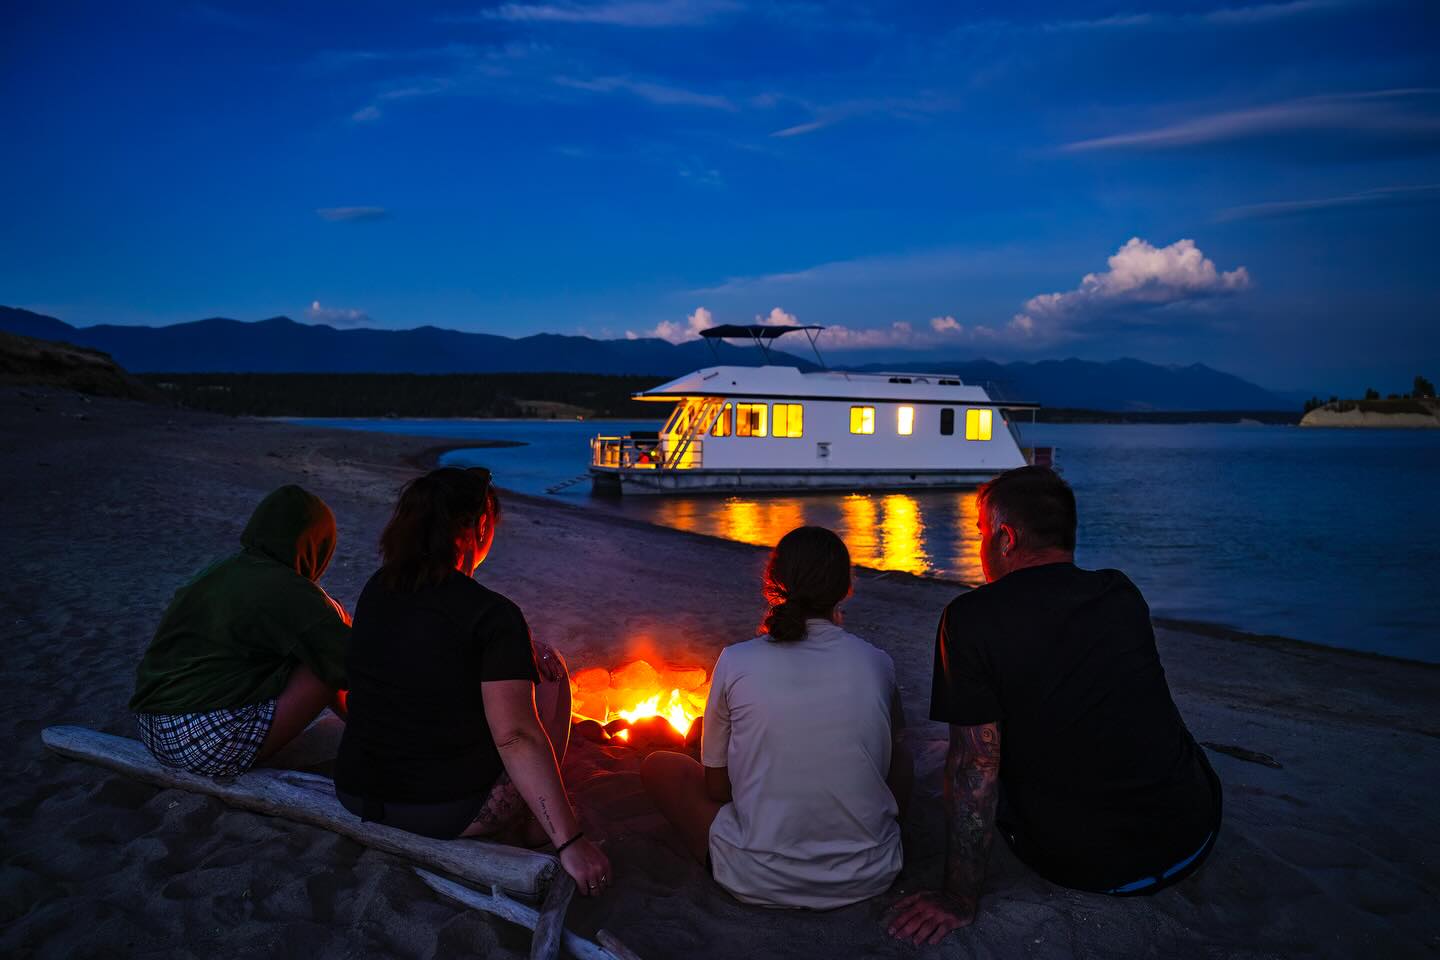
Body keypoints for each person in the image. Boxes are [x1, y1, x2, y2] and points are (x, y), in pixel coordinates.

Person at [887, 466, 1222, 945]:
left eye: (981, 533)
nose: (981, 545)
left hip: (1089, 866)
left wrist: (959, 897)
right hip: (1193, 834)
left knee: (968, 752)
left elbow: (974, 768)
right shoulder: (1120, 592)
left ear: (1005, 538)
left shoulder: (971, 620)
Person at [333, 467, 611, 896]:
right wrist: (571, 842)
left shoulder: (377, 588)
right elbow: (516, 736)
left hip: (356, 792)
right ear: (480, 525)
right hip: (441, 810)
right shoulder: (493, 614)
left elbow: (425, 646)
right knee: (550, 675)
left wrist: (519, 647)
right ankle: (543, 826)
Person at [642, 525, 912, 909]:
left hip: (755, 876)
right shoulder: (877, 663)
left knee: (659, 767)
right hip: (871, 873)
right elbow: (894, 766)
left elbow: (718, 792)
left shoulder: (736, 659)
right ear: (844, 588)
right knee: (902, 746)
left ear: (773, 583)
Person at [130, 484, 351, 777]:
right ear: (317, 545)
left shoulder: (222, 570)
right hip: (197, 743)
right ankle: (373, 733)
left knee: (315, 646)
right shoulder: (287, 590)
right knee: (326, 665)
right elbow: (353, 664)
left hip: (151, 727)